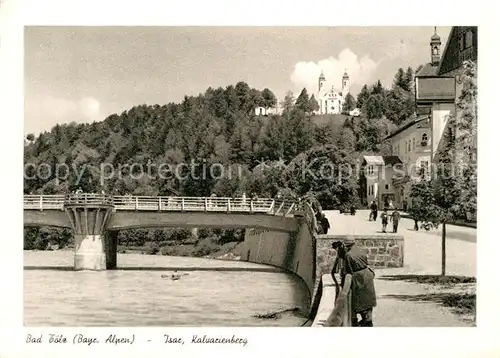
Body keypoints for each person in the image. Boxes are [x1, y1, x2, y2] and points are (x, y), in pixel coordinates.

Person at [331, 238, 377, 327]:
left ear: (345, 245)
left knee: (357, 300)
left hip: (358, 278)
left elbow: (349, 271)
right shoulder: (360, 250)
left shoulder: (348, 255)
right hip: (368, 274)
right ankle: (368, 320)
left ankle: (355, 320)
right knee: (368, 300)